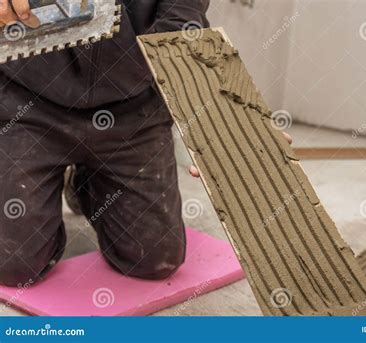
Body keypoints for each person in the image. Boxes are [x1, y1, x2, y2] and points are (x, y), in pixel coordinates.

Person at [0, 0, 211, 287]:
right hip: (28, 102)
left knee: (153, 259)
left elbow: (183, 29)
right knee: (12, 265)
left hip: (132, 108)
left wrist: (229, 126)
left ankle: (88, 185)